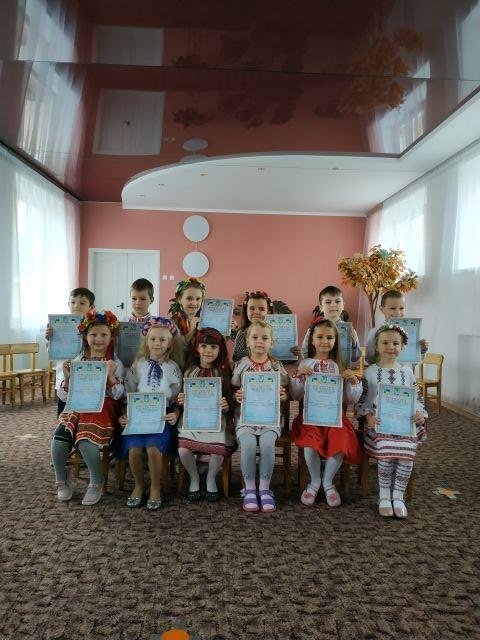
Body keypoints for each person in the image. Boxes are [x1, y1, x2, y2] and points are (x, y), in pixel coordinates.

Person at [50, 310, 124, 506]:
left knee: (85, 440)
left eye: (104, 334)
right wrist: (67, 377)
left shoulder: (115, 362)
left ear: (111, 337)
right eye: (93, 334)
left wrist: (110, 377)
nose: (98, 339)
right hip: (77, 407)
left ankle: (96, 481)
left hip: (102, 409)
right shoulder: (77, 361)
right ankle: (61, 480)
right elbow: (64, 396)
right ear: (85, 337)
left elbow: (119, 395)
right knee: (59, 438)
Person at [356, 324, 428, 518]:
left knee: (406, 453)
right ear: (377, 346)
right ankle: (384, 495)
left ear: (402, 346)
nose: (390, 347)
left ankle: (398, 496)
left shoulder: (408, 372)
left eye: (395, 343)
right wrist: (368, 417)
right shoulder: (370, 372)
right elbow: (362, 401)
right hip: (379, 427)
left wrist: (420, 413)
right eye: (385, 343)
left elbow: (417, 398)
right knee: (386, 452)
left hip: (404, 427)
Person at [290, 318, 363, 507]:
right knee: (309, 443)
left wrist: (353, 382)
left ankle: (328, 482)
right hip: (311, 417)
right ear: (312, 340)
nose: (325, 341)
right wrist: (299, 377)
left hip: (335, 418)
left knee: (340, 440)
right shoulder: (306, 363)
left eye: (329, 338)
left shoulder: (340, 365)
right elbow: (296, 395)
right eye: (320, 337)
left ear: (335, 341)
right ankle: (314, 481)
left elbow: (350, 399)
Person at [119, 317, 182, 510]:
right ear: (146, 341)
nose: (157, 343)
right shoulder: (138, 365)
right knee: (134, 450)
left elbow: (177, 397)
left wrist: (176, 414)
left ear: (169, 343)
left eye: (162, 340)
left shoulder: (173, 368)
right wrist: (124, 415)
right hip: (138, 416)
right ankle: (139, 485)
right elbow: (128, 393)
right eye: (153, 339)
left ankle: (155, 488)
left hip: (162, 417)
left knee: (153, 449)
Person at [232, 320, 289, 513]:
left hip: (269, 420)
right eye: (255, 337)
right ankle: (249, 488)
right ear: (247, 341)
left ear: (271, 343)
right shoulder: (241, 365)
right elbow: (233, 389)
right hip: (245, 419)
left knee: (267, 445)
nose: (259, 341)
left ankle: (264, 488)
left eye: (264, 338)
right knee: (248, 445)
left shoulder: (277, 366)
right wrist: (236, 396)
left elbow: (285, 390)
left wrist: (283, 396)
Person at [177, 328, 235, 502]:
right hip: (193, 420)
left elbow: (231, 399)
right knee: (183, 449)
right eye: (203, 346)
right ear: (197, 348)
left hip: (217, 421)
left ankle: (211, 478)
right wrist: (182, 400)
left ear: (220, 349)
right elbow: (183, 397)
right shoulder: (189, 371)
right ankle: (194, 477)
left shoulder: (224, 372)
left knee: (218, 450)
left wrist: (227, 406)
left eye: (213, 347)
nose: (208, 351)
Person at [45, 287, 95, 416]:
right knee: (64, 415)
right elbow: (53, 354)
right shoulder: (58, 325)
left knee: (84, 414)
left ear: (91, 307)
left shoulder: (94, 327)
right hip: (64, 378)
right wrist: (50, 339)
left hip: (86, 377)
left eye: (82, 303)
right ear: (68, 304)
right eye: (73, 302)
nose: (76, 306)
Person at [365, 290, 428, 364]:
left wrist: (422, 350)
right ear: (382, 309)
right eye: (392, 308)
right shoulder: (375, 332)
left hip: (406, 370)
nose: (398, 313)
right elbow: (369, 359)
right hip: (383, 369)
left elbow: (415, 361)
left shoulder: (412, 331)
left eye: (401, 308)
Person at [300, 286, 360, 363]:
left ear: (343, 306)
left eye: (337, 301)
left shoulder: (349, 330)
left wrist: (354, 344)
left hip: (341, 370)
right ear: (321, 307)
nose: (333, 305)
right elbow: (304, 354)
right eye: (328, 302)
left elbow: (355, 358)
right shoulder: (314, 328)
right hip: (318, 369)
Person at [168, 278, 206, 369]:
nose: (194, 303)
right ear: (180, 299)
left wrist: (227, 328)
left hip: (200, 369)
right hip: (178, 368)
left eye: (198, 299)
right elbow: (174, 350)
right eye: (189, 298)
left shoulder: (205, 320)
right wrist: (191, 331)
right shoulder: (172, 323)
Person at [232, 291, 274, 363]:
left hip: (271, 369)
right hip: (247, 369)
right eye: (252, 308)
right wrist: (256, 350)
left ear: (268, 312)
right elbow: (236, 357)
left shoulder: (274, 332)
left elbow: (283, 358)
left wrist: (292, 353)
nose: (256, 312)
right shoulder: (242, 333)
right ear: (246, 311)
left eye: (261, 309)